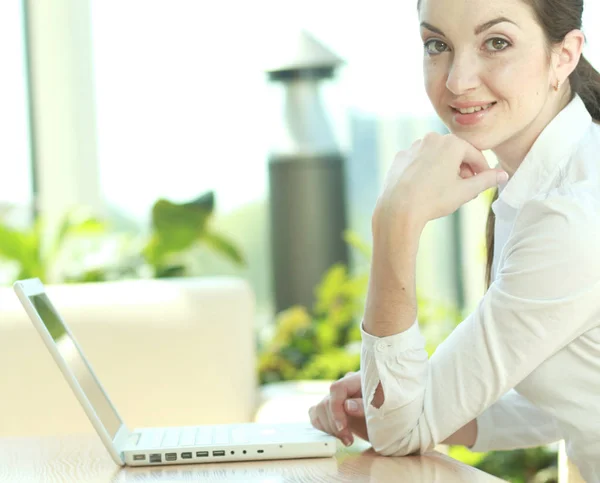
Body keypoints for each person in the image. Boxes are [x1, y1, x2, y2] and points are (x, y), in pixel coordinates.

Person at [308, 0, 600, 480]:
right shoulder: (544, 180)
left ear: (564, 55)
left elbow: (399, 434)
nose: (457, 80)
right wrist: (411, 399)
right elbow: (579, 392)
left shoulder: (569, 216)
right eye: (438, 45)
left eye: (496, 43)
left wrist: (396, 221)